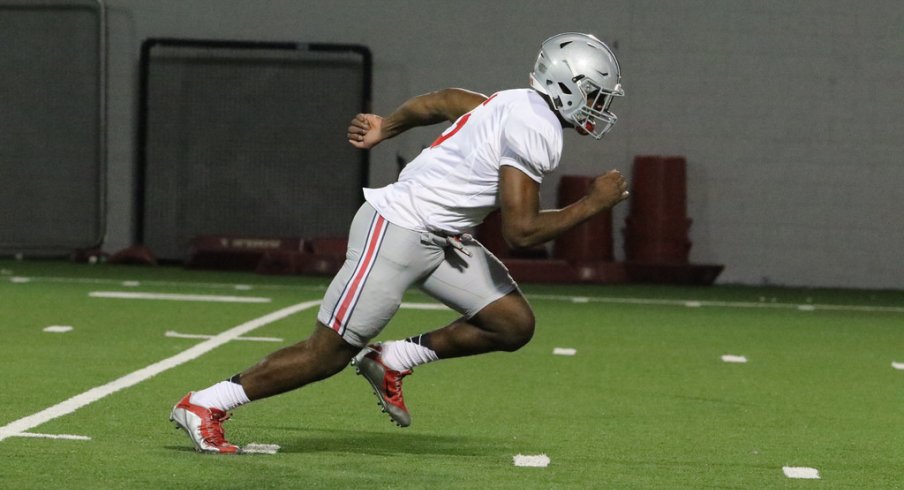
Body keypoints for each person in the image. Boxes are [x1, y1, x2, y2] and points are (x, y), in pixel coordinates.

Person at [170, 32, 629, 453]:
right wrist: (592, 203)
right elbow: (521, 231)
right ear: (565, 85)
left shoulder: (516, 102)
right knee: (326, 353)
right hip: (398, 227)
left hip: (439, 236)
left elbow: (443, 100)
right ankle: (206, 403)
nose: (598, 106)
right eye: (593, 93)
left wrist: (385, 128)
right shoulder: (537, 126)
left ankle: (392, 359)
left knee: (510, 324)